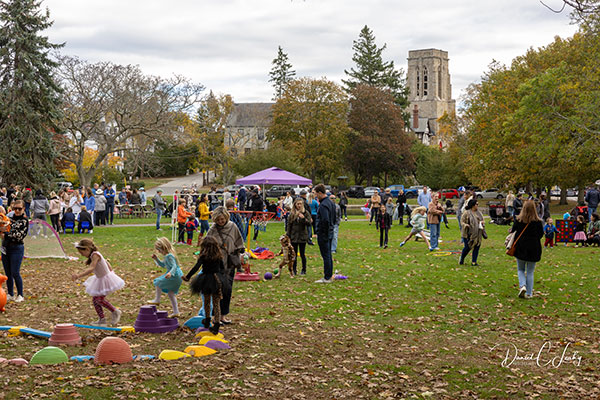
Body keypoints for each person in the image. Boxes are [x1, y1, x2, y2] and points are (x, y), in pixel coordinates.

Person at [183, 236, 231, 335]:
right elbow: (223, 269)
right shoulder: (219, 256)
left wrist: (187, 277)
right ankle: (216, 323)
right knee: (216, 303)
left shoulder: (203, 256)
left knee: (207, 301)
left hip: (205, 280)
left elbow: (196, 267)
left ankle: (207, 319)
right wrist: (222, 279)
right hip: (217, 280)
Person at [206, 206, 245, 324]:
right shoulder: (212, 229)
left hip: (230, 263)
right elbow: (206, 244)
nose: (220, 222)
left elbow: (238, 241)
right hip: (217, 263)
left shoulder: (232, 226)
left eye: (222, 219)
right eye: (218, 220)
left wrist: (240, 252)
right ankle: (215, 316)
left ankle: (223, 315)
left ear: (226, 217)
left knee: (227, 289)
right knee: (217, 290)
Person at [71, 239, 124, 326]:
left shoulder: (95, 255)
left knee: (99, 299)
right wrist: (111, 270)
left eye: (82, 253)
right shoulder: (94, 255)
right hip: (100, 279)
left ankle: (115, 311)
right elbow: (106, 262)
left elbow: (91, 268)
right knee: (95, 300)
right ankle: (101, 320)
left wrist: (78, 275)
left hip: (105, 280)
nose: (82, 255)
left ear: (87, 249)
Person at [510, 200, 544, 299]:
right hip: (534, 248)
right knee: (530, 271)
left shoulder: (519, 220)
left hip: (521, 247)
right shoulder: (538, 222)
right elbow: (540, 235)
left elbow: (513, 230)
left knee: (520, 269)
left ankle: (522, 285)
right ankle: (529, 293)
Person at [0, 200, 28, 302]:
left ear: (23, 209)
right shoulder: (9, 219)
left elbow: (19, 235)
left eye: (19, 209)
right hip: (5, 248)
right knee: (8, 273)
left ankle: (20, 294)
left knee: (15, 272)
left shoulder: (24, 221)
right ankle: (10, 293)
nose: (17, 210)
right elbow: (4, 227)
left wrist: (5, 234)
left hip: (17, 248)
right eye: (15, 208)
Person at [148, 237, 183, 318]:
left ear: (164, 248)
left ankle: (157, 300)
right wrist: (156, 259)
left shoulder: (170, 256)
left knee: (158, 282)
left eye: (159, 250)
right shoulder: (167, 256)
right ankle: (176, 312)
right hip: (175, 276)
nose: (159, 252)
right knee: (171, 293)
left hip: (174, 275)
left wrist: (171, 273)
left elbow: (174, 266)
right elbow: (163, 265)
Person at [313, 184, 335, 283]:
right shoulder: (331, 203)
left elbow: (325, 220)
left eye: (316, 194)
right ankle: (329, 275)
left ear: (320, 193)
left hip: (324, 234)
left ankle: (327, 277)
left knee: (326, 255)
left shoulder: (323, 205)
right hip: (330, 232)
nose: (315, 196)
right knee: (328, 255)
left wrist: (322, 232)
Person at [286, 198, 312, 275]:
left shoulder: (305, 213)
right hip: (294, 236)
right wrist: (288, 235)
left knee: (302, 254)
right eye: (298, 204)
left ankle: (304, 269)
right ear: (295, 205)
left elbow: (309, 224)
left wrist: (303, 219)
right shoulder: (292, 214)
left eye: (300, 204)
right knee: (294, 254)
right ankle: (294, 269)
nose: (299, 205)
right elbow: (289, 225)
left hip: (302, 236)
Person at [459, 199, 485, 266]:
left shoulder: (479, 213)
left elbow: (482, 220)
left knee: (477, 246)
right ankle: (461, 259)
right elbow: (462, 221)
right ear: (473, 205)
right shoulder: (466, 213)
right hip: (468, 234)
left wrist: (482, 223)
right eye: (477, 204)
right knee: (467, 247)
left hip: (478, 233)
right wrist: (465, 225)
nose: (477, 206)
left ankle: (474, 262)